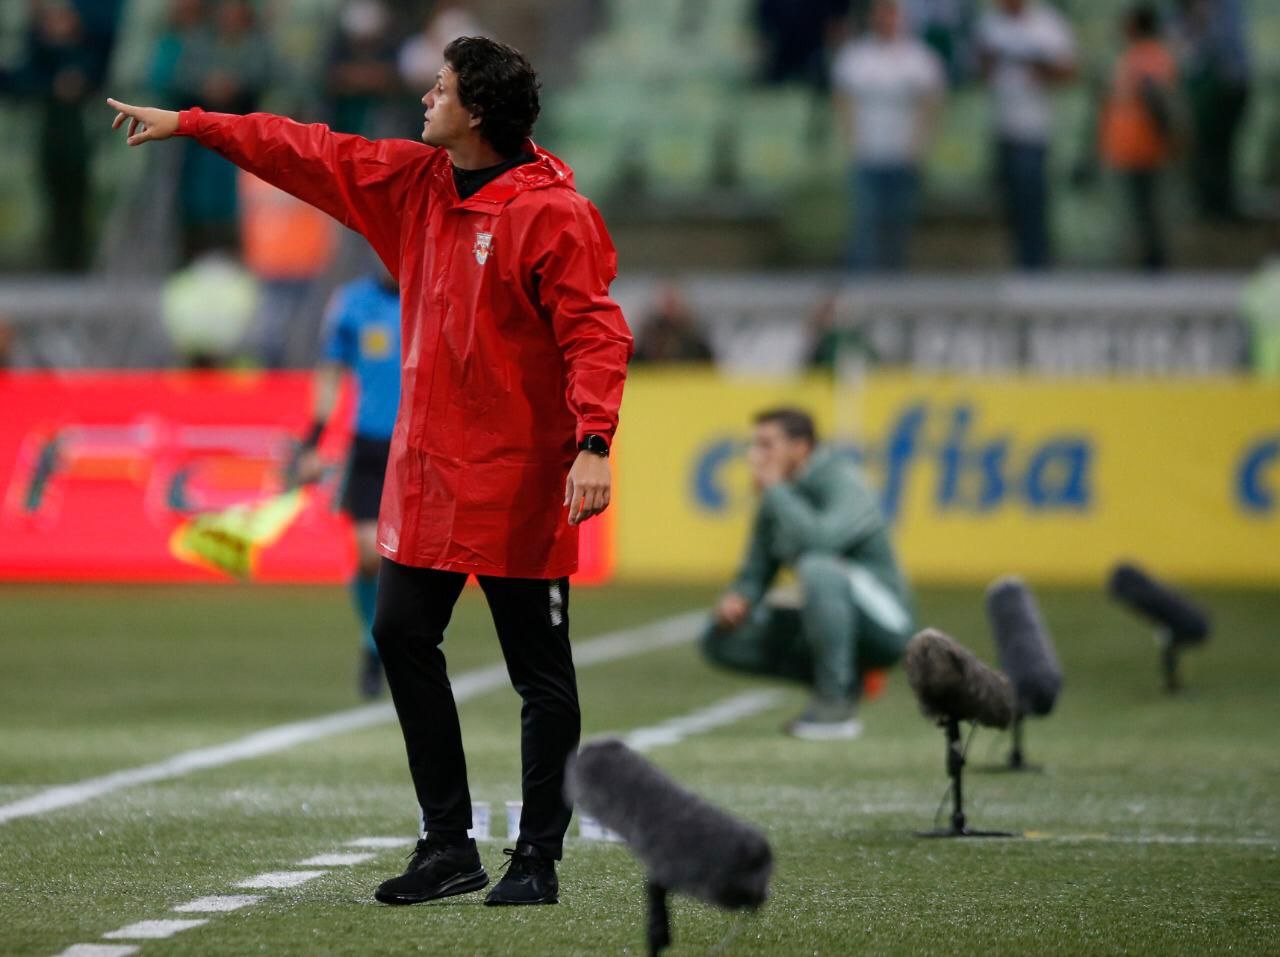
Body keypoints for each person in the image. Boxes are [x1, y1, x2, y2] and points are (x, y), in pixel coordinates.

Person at [107, 34, 631, 907]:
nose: (424, 96)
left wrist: (594, 442)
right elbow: (305, 150)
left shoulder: (555, 214)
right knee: (398, 632)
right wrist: (196, 124)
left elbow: (596, 332)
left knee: (538, 672)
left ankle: (536, 856)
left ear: (478, 113)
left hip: (519, 476)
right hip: (427, 471)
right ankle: (448, 843)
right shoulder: (414, 184)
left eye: (441, 87)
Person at [702, 408, 914, 740]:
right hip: (829, 608)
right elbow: (757, 569)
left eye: (767, 444)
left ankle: (835, 706)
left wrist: (774, 491)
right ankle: (848, 680)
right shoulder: (780, 493)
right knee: (721, 640)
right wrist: (739, 598)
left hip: (885, 623)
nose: (756, 455)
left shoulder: (842, 480)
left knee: (817, 568)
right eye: (755, 445)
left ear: (800, 448)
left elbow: (821, 541)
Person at [297, 268, 401, 697]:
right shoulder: (353, 303)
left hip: (425, 445)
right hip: (372, 446)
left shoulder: (437, 291)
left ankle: (405, 646)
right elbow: (331, 373)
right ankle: (372, 642)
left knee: (414, 565)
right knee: (367, 554)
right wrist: (314, 439)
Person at [832, 0, 944, 272]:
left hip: (903, 156)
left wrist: (918, 145)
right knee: (866, 223)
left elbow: (932, 102)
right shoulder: (857, 56)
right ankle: (863, 285)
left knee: (898, 224)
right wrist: (853, 142)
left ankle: (894, 284)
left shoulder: (918, 57)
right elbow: (843, 101)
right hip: (869, 153)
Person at [976, 0, 1076, 270]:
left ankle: (1037, 263)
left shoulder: (1047, 23)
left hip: (1034, 127)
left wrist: (1039, 68)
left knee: (1033, 198)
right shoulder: (990, 23)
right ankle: (1021, 261)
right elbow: (979, 69)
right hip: (1002, 125)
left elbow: (1069, 70)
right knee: (1011, 200)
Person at [1100, 5, 1178, 272]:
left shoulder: (1151, 56)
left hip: (1146, 148)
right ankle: (1143, 263)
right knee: (1139, 212)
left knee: (1148, 212)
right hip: (1128, 147)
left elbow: (1158, 100)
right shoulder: (1133, 56)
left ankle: (1153, 264)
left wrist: (1170, 138)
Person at [631, 284, 714, 364]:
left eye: (672, 300)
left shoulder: (694, 337)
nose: (669, 305)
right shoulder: (648, 338)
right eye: (665, 300)